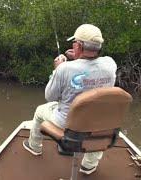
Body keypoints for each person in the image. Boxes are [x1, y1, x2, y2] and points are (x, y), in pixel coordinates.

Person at [22, 24, 117, 175]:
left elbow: (50, 97)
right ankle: (89, 165)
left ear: (78, 45)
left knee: (40, 111)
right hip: (98, 123)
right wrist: (78, 57)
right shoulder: (110, 64)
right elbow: (92, 66)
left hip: (68, 125)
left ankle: (34, 146)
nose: (73, 45)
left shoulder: (64, 69)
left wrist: (57, 69)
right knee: (98, 121)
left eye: (75, 42)